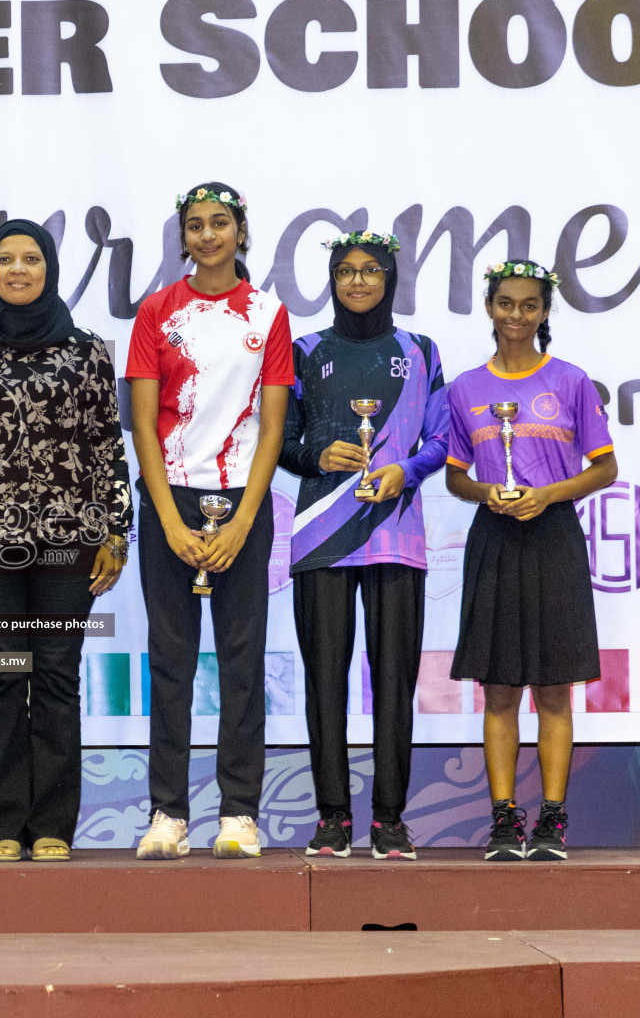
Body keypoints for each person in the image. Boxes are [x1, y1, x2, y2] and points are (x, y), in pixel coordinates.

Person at [0, 219, 132, 863]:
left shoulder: (88, 350)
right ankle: (3, 824)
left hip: (70, 545)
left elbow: (105, 446)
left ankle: (53, 827)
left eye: (30, 259)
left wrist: (116, 533)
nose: (17, 270)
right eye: (5, 259)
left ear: (50, 270)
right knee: (5, 678)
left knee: (58, 678)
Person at [126, 183, 293, 860]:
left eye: (219, 224)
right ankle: (168, 813)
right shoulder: (157, 314)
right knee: (169, 662)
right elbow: (142, 421)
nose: (207, 236)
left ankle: (239, 813)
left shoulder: (269, 314)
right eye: (194, 226)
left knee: (241, 661)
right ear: (183, 238)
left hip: (242, 502)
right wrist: (167, 519)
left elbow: (274, 427)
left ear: (241, 232)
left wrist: (243, 521)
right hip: (172, 498)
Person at [280, 231, 448, 861]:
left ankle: (389, 818)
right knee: (325, 680)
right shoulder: (304, 350)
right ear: (330, 279)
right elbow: (285, 442)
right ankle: (332, 818)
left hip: (395, 537)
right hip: (320, 537)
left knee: (394, 680)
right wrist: (316, 454)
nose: (356, 282)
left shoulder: (420, 349)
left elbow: (440, 441)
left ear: (389, 278)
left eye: (369, 271)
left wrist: (407, 470)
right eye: (344, 271)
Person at [445, 259, 617, 862]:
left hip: (554, 538)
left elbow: (605, 468)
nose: (516, 315)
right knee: (498, 689)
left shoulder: (570, 380)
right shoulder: (465, 389)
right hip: (493, 538)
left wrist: (547, 493)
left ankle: (551, 818)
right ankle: (502, 820)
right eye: (506, 303)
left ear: (545, 313)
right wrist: (486, 492)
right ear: (489, 308)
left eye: (529, 305)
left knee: (552, 690)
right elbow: (454, 478)